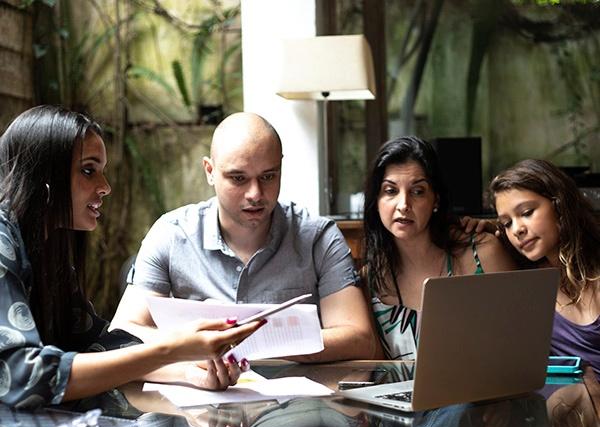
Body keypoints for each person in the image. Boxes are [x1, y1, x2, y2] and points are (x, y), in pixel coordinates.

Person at [0, 105, 266, 408]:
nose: (105, 187)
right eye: (89, 170)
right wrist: (170, 348)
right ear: (45, 175)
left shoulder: (49, 248)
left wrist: (189, 371)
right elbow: (21, 376)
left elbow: (94, 344)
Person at [111, 112, 376, 362]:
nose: (255, 194)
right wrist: (188, 350)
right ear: (210, 171)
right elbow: (124, 332)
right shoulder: (171, 234)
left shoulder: (318, 238)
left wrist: (251, 341)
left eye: (268, 176)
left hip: (294, 404)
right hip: (198, 397)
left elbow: (358, 338)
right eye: (238, 178)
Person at [362, 136, 537, 427]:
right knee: (435, 422)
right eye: (390, 191)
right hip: (406, 417)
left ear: (437, 199)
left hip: (492, 416)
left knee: (458, 408)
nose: (403, 205)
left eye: (418, 191)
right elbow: (376, 369)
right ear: (376, 200)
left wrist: (501, 398)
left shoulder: (481, 252)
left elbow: (525, 342)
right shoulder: (372, 277)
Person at [490, 159, 600, 375]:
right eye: (507, 223)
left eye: (527, 212)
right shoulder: (528, 284)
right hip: (561, 400)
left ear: (559, 205)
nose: (517, 230)